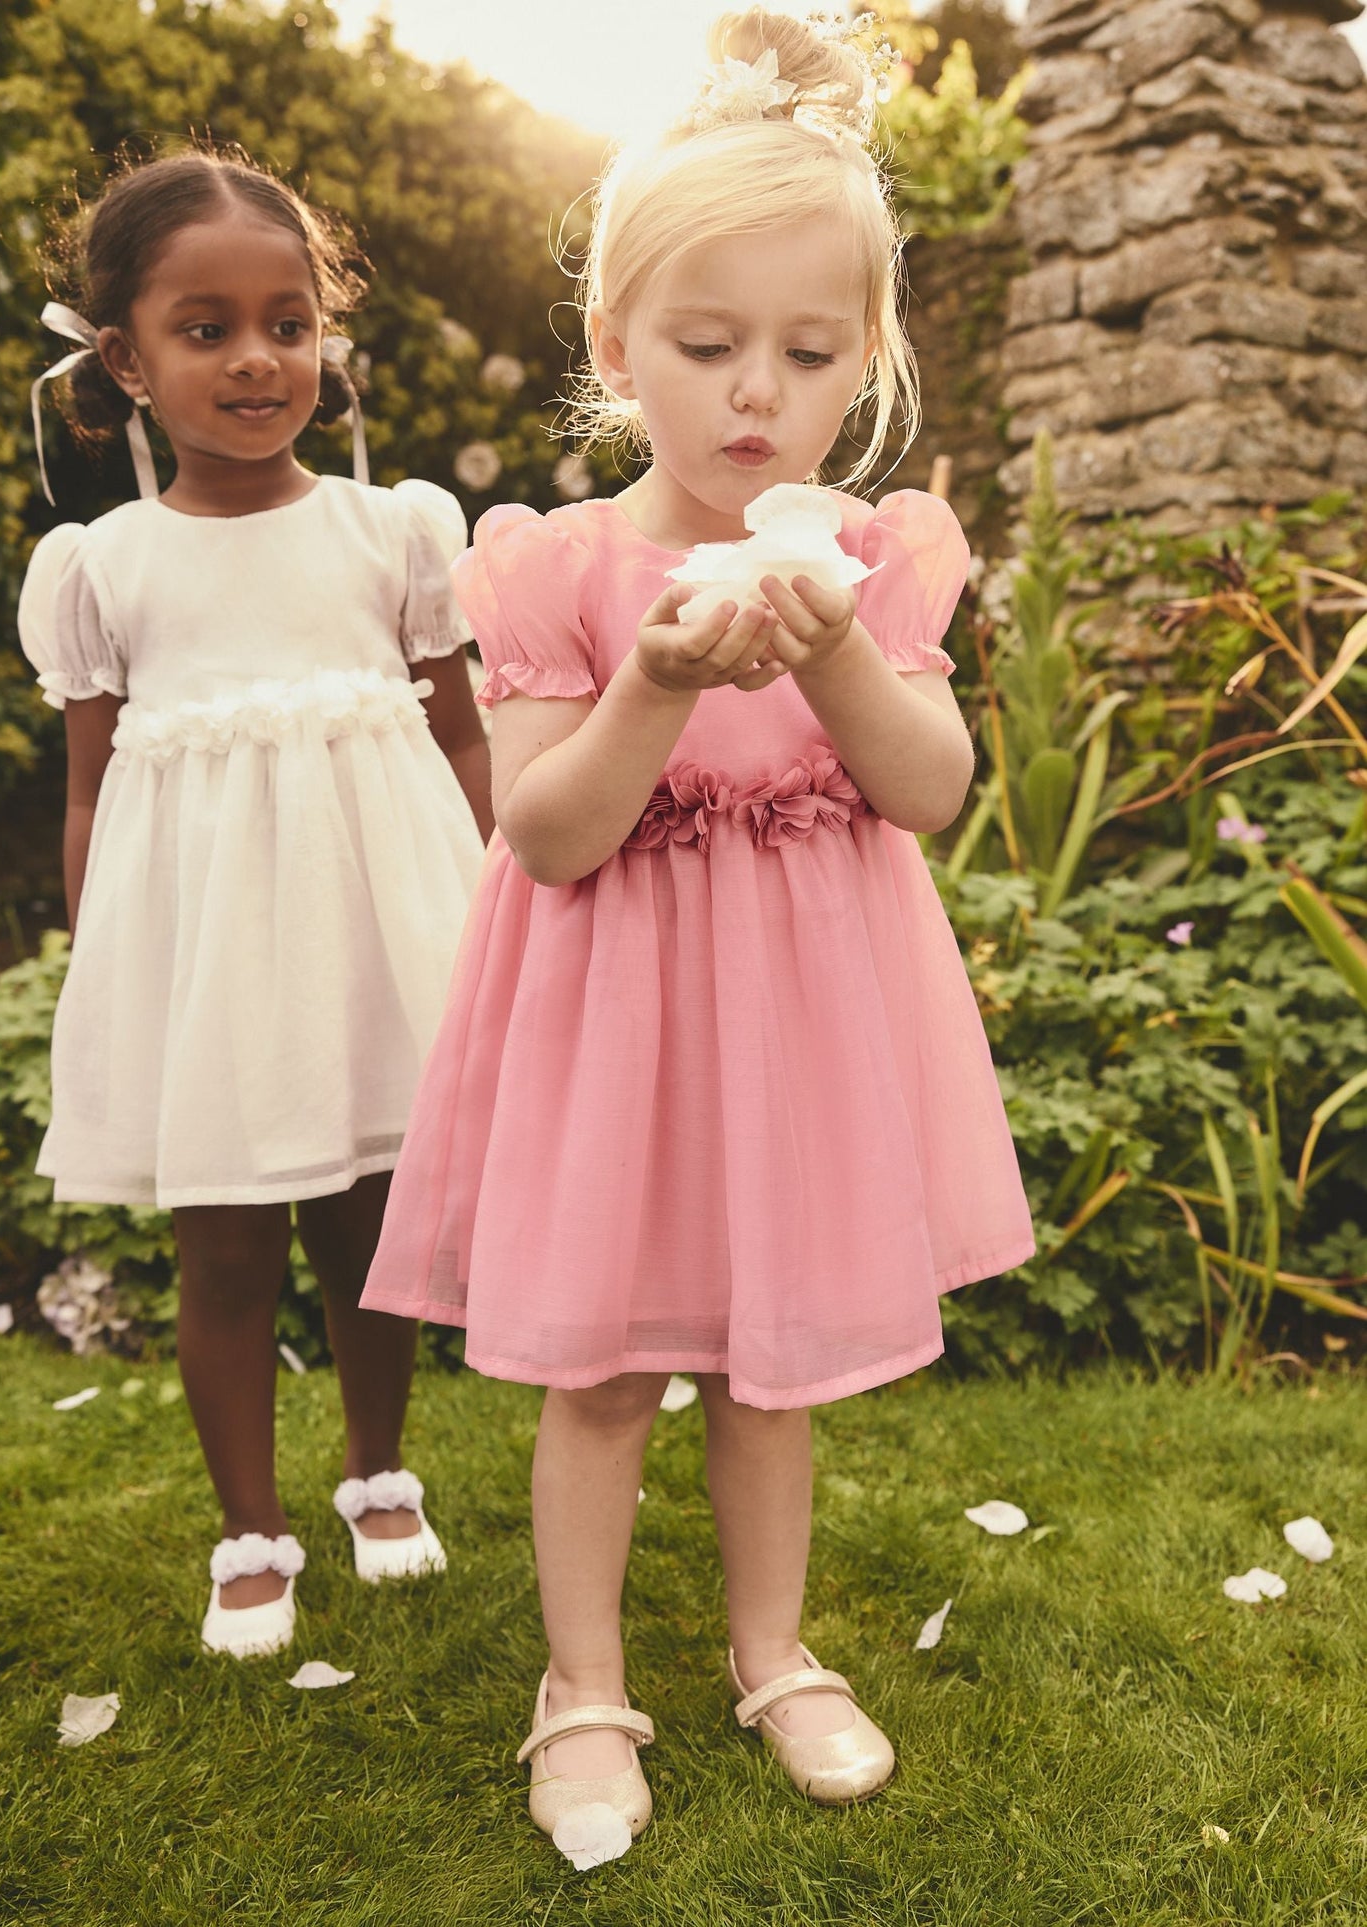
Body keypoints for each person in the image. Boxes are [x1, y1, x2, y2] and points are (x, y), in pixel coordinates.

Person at [362, 7, 1034, 1835]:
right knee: (600, 1371)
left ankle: (772, 1650)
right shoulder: (560, 568)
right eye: (707, 344)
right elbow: (546, 832)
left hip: (796, 1029)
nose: (757, 395)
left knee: (772, 1355)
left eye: (807, 354)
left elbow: (928, 790)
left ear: (863, 359)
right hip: (619, 1032)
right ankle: (582, 1690)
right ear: (613, 343)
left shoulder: (864, 562)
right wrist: (651, 684)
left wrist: (830, 654)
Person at [17, 149, 491, 1659]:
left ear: (326, 336)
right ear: (125, 362)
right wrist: (106, 968)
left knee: (369, 1226)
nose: (256, 359)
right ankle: (248, 1528)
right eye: (205, 328)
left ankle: (377, 1475)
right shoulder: (107, 568)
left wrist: (493, 919)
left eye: (287, 321)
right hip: (207, 966)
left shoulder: (394, 534)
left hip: (376, 945)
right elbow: (93, 787)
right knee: (224, 1244)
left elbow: (462, 735)